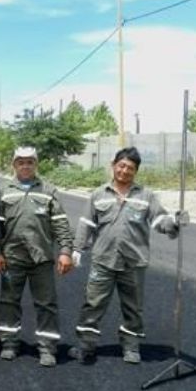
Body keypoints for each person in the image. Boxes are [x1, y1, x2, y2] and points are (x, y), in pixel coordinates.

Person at [69, 146, 182, 364]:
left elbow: (160, 221)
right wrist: (77, 249)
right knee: (93, 304)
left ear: (135, 171)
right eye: (121, 165)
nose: (124, 171)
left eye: (130, 168)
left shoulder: (146, 196)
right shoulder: (98, 194)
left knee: (133, 308)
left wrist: (175, 222)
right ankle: (86, 345)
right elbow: (86, 224)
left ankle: (130, 347)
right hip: (103, 260)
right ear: (113, 165)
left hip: (133, 262)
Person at [0, 146, 75, 367]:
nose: (25, 166)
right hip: (12, 257)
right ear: (14, 165)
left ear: (36, 164)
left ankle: (47, 348)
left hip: (42, 258)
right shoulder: (4, 190)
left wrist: (66, 251)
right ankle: (9, 343)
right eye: (21, 162)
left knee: (46, 304)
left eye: (30, 162)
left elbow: (61, 224)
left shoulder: (48, 190)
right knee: (9, 302)